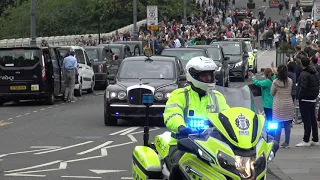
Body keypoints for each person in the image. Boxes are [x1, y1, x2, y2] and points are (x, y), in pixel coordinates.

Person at [163, 56, 230, 180]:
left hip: (213, 145)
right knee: (179, 166)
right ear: (193, 76)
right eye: (204, 75)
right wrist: (181, 127)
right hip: (182, 143)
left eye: (210, 75)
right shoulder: (180, 95)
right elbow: (172, 114)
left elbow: (228, 116)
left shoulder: (217, 96)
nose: (209, 78)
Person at [296, 56, 320, 147]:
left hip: (305, 99)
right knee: (313, 119)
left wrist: (299, 97)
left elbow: (303, 87)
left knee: (306, 120)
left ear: (302, 64)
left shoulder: (304, 74)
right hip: (313, 98)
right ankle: (315, 139)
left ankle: (306, 140)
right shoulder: (315, 72)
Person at [271, 65, 294, 148]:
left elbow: (272, 93)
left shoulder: (275, 82)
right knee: (287, 124)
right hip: (288, 104)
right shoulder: (290, 81)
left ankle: (276, 142)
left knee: (278, 125)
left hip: (278, 105)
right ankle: (287, 142)